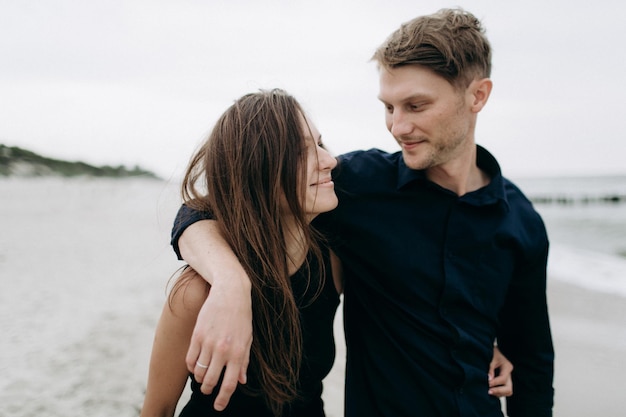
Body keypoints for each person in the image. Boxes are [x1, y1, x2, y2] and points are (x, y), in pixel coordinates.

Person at [172, 8, 546, 417]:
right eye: (389, 107)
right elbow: (213, 209)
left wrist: (485, 346)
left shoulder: (521, 223)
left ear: (478, 96)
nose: (397, 126)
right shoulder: (355, 187)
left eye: (415, 106)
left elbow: (531, 364)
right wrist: (230, 282)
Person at [140, 89, 344, 417]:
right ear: (256, 171)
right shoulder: (196, 291)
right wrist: (231, 283)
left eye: (320, 144)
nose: (329, 160)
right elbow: (158, 409)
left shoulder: (331, 263)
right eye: (301, 151)